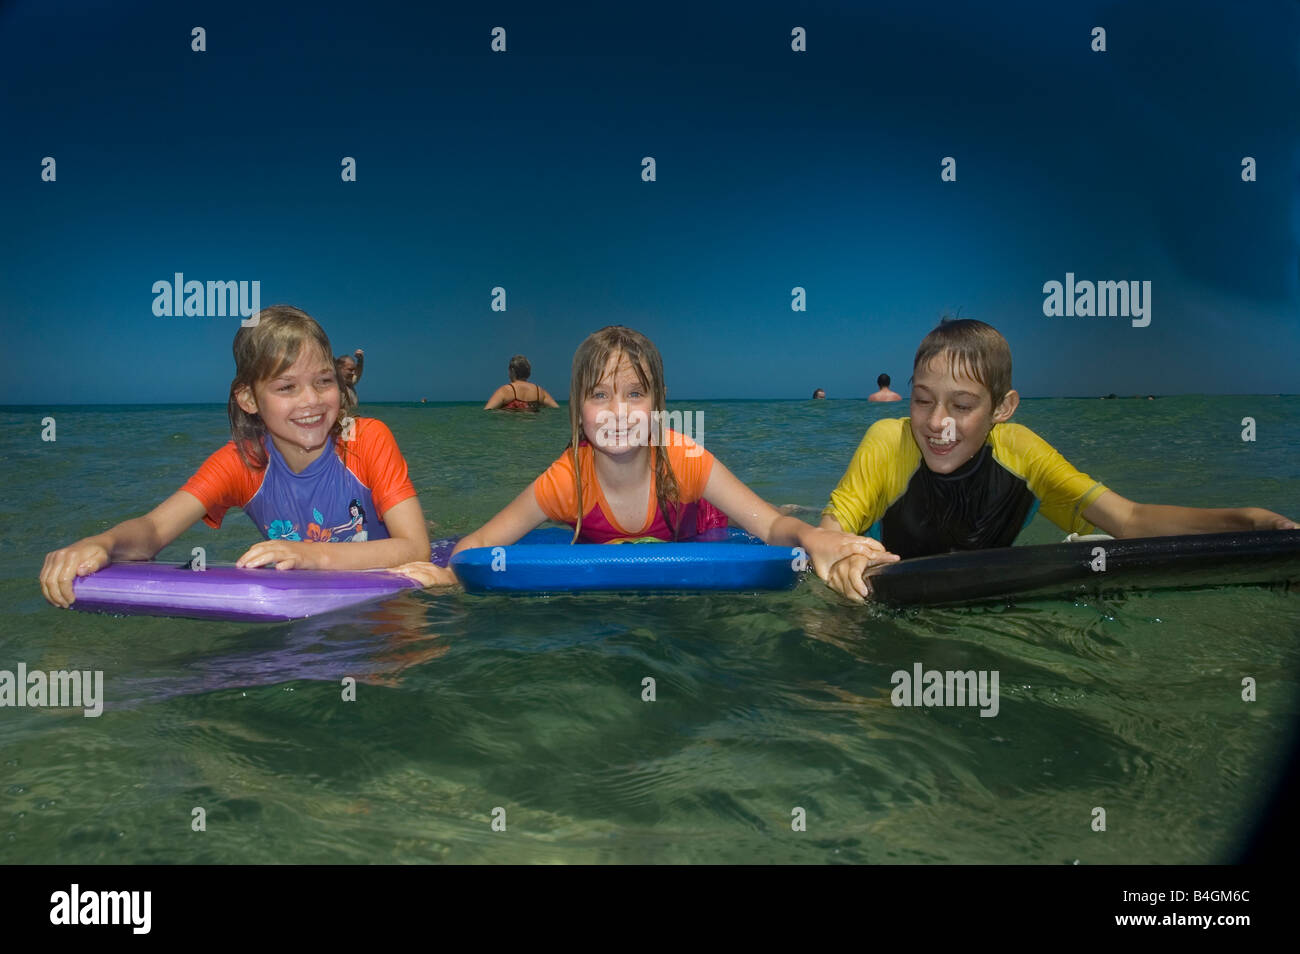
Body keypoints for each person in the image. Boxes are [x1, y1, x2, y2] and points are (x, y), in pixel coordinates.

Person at [818, 319, 1296, 602]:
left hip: (978, 593)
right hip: (893, 590)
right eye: (923, 400)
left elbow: (1128, 518)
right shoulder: (888, 440)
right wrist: (844, 557)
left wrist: (1249, 519)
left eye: (962, 406)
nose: (937, 422)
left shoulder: (1021, 452)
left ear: (1001, 409)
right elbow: (832, 527)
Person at [393, 326, 884, 585]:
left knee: (774, 513)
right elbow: (479, 542)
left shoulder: (683, 457)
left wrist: (815, 538)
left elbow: (772, 530)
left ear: (658, 405)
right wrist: (448, 576)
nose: (618, 413)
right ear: (578, 410)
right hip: (633, 519)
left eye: (634, 394)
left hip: (699, 521)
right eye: (600, 396)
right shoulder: (569, 480)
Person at [40, 306, 454, 607]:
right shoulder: (243, 462)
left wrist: (311, 555)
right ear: (248, 398)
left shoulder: (365, 439)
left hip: (393, 592)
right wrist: (103, 543)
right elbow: (152, 531)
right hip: (311, 600)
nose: (311, 401)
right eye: (286, 387)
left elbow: (414, 547)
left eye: (323, 381)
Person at [485, 354, 559, 411]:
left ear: (512, 371)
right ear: (528, 372)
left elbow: (487, 411)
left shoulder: (505, 391)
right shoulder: (539, 391)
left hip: (513, 430)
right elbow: (557, 409)